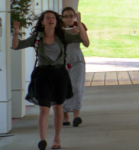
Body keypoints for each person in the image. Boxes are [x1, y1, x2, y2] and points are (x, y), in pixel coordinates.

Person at [11, 11, 89, 150]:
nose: (51, 19)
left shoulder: (62, 35)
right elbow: (17, 46)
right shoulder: (37, 37)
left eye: (53, 17)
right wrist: (16, 33)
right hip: (43, 75)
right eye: (47, 18)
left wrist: (80, 23)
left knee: (58, 107)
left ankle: (56, 140)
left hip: (59, 74)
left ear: (56, 21)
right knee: (43, 109)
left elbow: (82, 39)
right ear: (43, 22)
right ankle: (42, 140)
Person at [61, 7, 90, 127]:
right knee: (62, 88)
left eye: (71, 16)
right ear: (62, 18)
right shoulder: (58, 28)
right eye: (66, 16)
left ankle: (76, 116)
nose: (69, 19)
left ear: (75, 16)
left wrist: (78, 31)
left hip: (77, 60)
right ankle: (65, 116)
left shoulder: (79, 25)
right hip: (61, 61)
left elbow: (86, 43)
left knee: (77, 87)